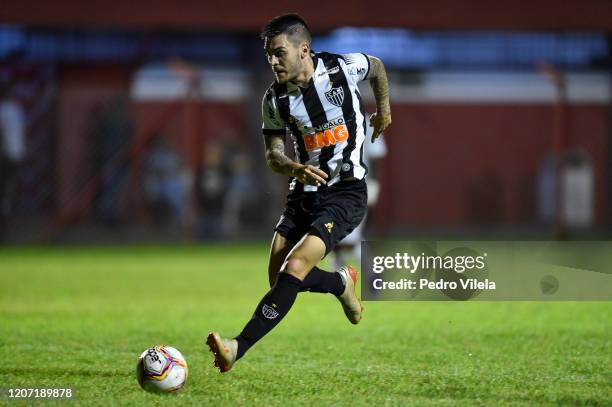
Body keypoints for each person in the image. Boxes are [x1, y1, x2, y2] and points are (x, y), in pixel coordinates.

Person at [207, 13, 391, 373]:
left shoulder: (342, 68)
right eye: (269, 56)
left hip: (346, 192)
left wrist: (383, 109)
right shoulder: (274, 99)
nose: (273, 62)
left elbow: (378, 67)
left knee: (295, 267)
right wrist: (291, 166)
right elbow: (272, 154)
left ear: (303, 49)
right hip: (302, 194)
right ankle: (340, 282)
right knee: (281, 279)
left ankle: (236, 347)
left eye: (279, 53)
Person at [332, 119, 387, 270]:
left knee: (350, 239)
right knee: (332, 238)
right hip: (332, 189)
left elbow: (376, 156)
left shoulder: (368, 122)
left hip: (357, 188)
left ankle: (374, 273)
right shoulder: (330, 118)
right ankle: (338, 280)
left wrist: (373, 187)